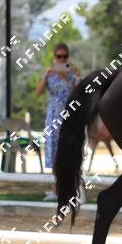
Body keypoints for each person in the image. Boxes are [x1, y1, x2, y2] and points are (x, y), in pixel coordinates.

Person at [37, 43, 81, 199]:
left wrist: (74, 75)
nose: (62, 59)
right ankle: (56, 189)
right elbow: (39, 91)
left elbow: (81, 91)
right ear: (54, 57)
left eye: (65, 56)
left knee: (69, 152)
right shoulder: (49, 73)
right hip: (53, 116)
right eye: (59, 56)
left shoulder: (73, 73)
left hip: (70, 116)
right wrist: (46, 74)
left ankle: (71, 188)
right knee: (54, 152)